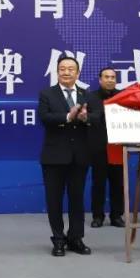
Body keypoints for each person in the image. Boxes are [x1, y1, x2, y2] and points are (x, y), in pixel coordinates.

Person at [37, 54, 91, 256]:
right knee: (54, 200)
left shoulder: (86, 95)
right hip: (54, 156)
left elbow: (97, 118)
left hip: (79, 156)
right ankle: (58, 239)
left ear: (78, 73)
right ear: (57, 72)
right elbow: (45, 118)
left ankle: (76, 238)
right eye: (62, 69)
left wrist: (85, 118)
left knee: (77, 199)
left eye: (71, 69)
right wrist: (68, 116)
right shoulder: (47, 94)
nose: (66, 72)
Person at [86, 66, 125, 228]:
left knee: (118, 183)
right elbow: (87, 118)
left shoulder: (123, 96)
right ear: (100, 79)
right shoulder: (90, 97)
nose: (110, 80)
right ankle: (98, 216)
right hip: (98, 146)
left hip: (118, 146)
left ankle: (117, 216)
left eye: (113, 77)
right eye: (106, 77)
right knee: (98, 183)